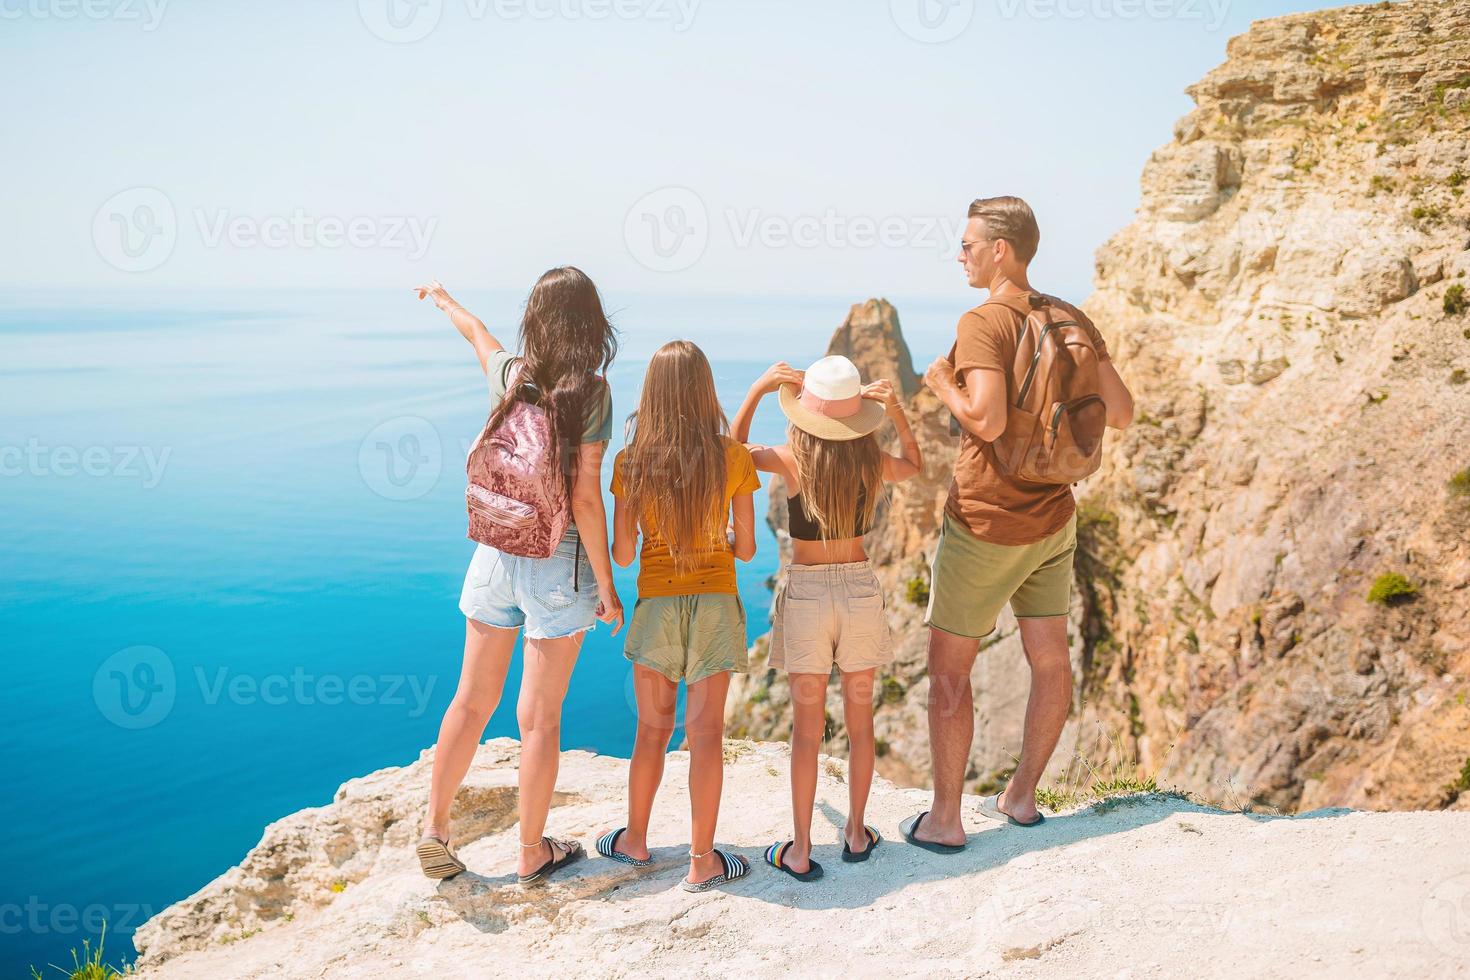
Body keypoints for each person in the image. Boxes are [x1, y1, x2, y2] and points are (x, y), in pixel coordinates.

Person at [904, 196, 1134, 852]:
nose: (962, 255)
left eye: (969, 244)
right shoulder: (1072, 318)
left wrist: (942, 382)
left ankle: (945, 822)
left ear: (1000, 249)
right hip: (1054, 517)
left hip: (986, 522)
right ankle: (1022, 797)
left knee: (950, 672)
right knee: (1050, 658)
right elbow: (1121, 412)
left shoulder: (984, 322)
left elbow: (989, 420)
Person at [414, 268, 624, 884]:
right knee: (539, 718)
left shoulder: (511, 374)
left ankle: (436, 830)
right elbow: (585, 497)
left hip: (495, 551)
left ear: (534, 319)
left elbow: (475, 332)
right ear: (592, 322)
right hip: (556, 565)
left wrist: (446, 300)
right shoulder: (592, 391)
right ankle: (532, 849)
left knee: (471, 700)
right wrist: (606, 588)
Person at [731, 355, 922, 881]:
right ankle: (857, 833)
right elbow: (915, 465)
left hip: (809, 596)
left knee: (807, 732)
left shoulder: (792, 457)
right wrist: (897, 413)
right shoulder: (871, 460)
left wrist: (758, 386)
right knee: (861, 724)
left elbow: (730, 451)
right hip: (859, 592)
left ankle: (798, 850)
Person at [595, 340, 760, 892]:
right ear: (705, 390)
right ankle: (700, 860)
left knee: (651, 732)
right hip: (715, 603)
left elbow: (621, 554)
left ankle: (635, 841)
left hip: (657, 607)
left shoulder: (631, 461)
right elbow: (747, 551)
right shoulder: (732, 457)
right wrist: (717, 534)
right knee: (706, 734)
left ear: (653, 395)